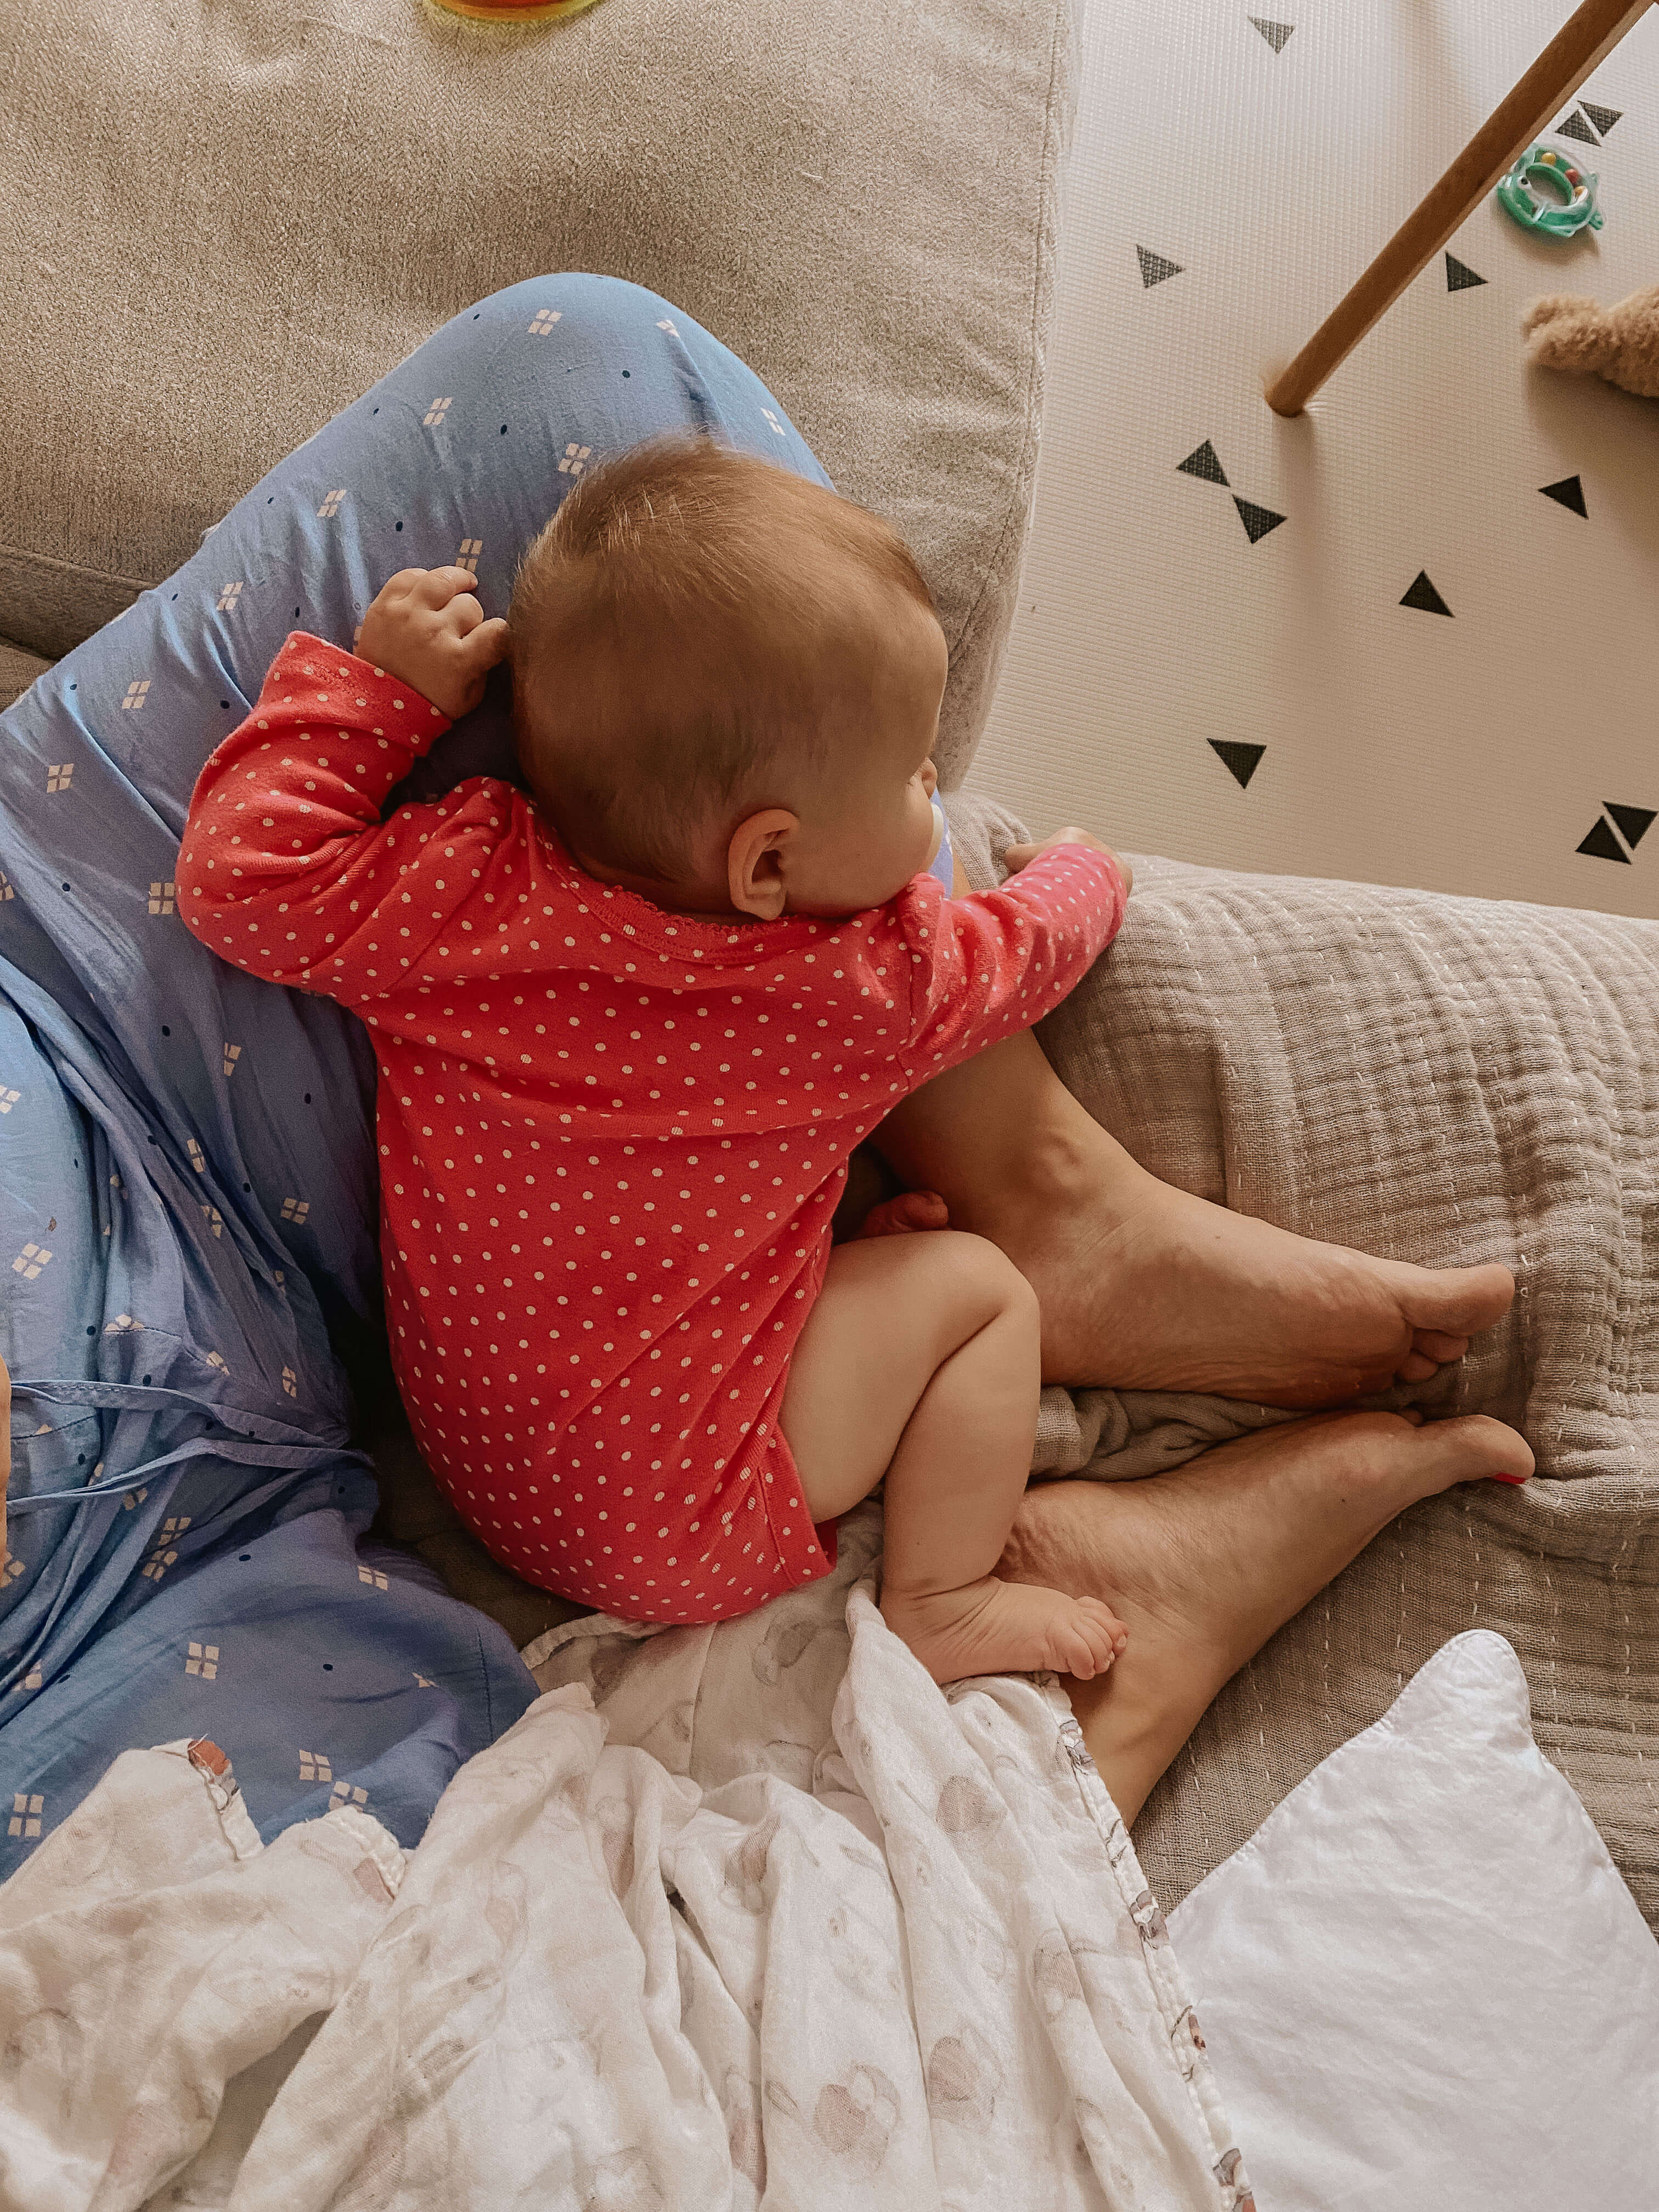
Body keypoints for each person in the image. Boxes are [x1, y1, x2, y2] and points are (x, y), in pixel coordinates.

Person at [174, 436, 1532, 1715]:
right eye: (916, 779)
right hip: (691, 1521)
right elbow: (1033, 948)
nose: (937, 794)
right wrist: (1090, 867)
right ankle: (947, 1599)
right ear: (768, 861)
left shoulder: (457, 897)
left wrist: (381, 696)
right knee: (979, 1293)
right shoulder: (865, 983)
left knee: (773, 1264)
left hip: (488, 1469)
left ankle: (862, 1290)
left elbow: (237, 882)